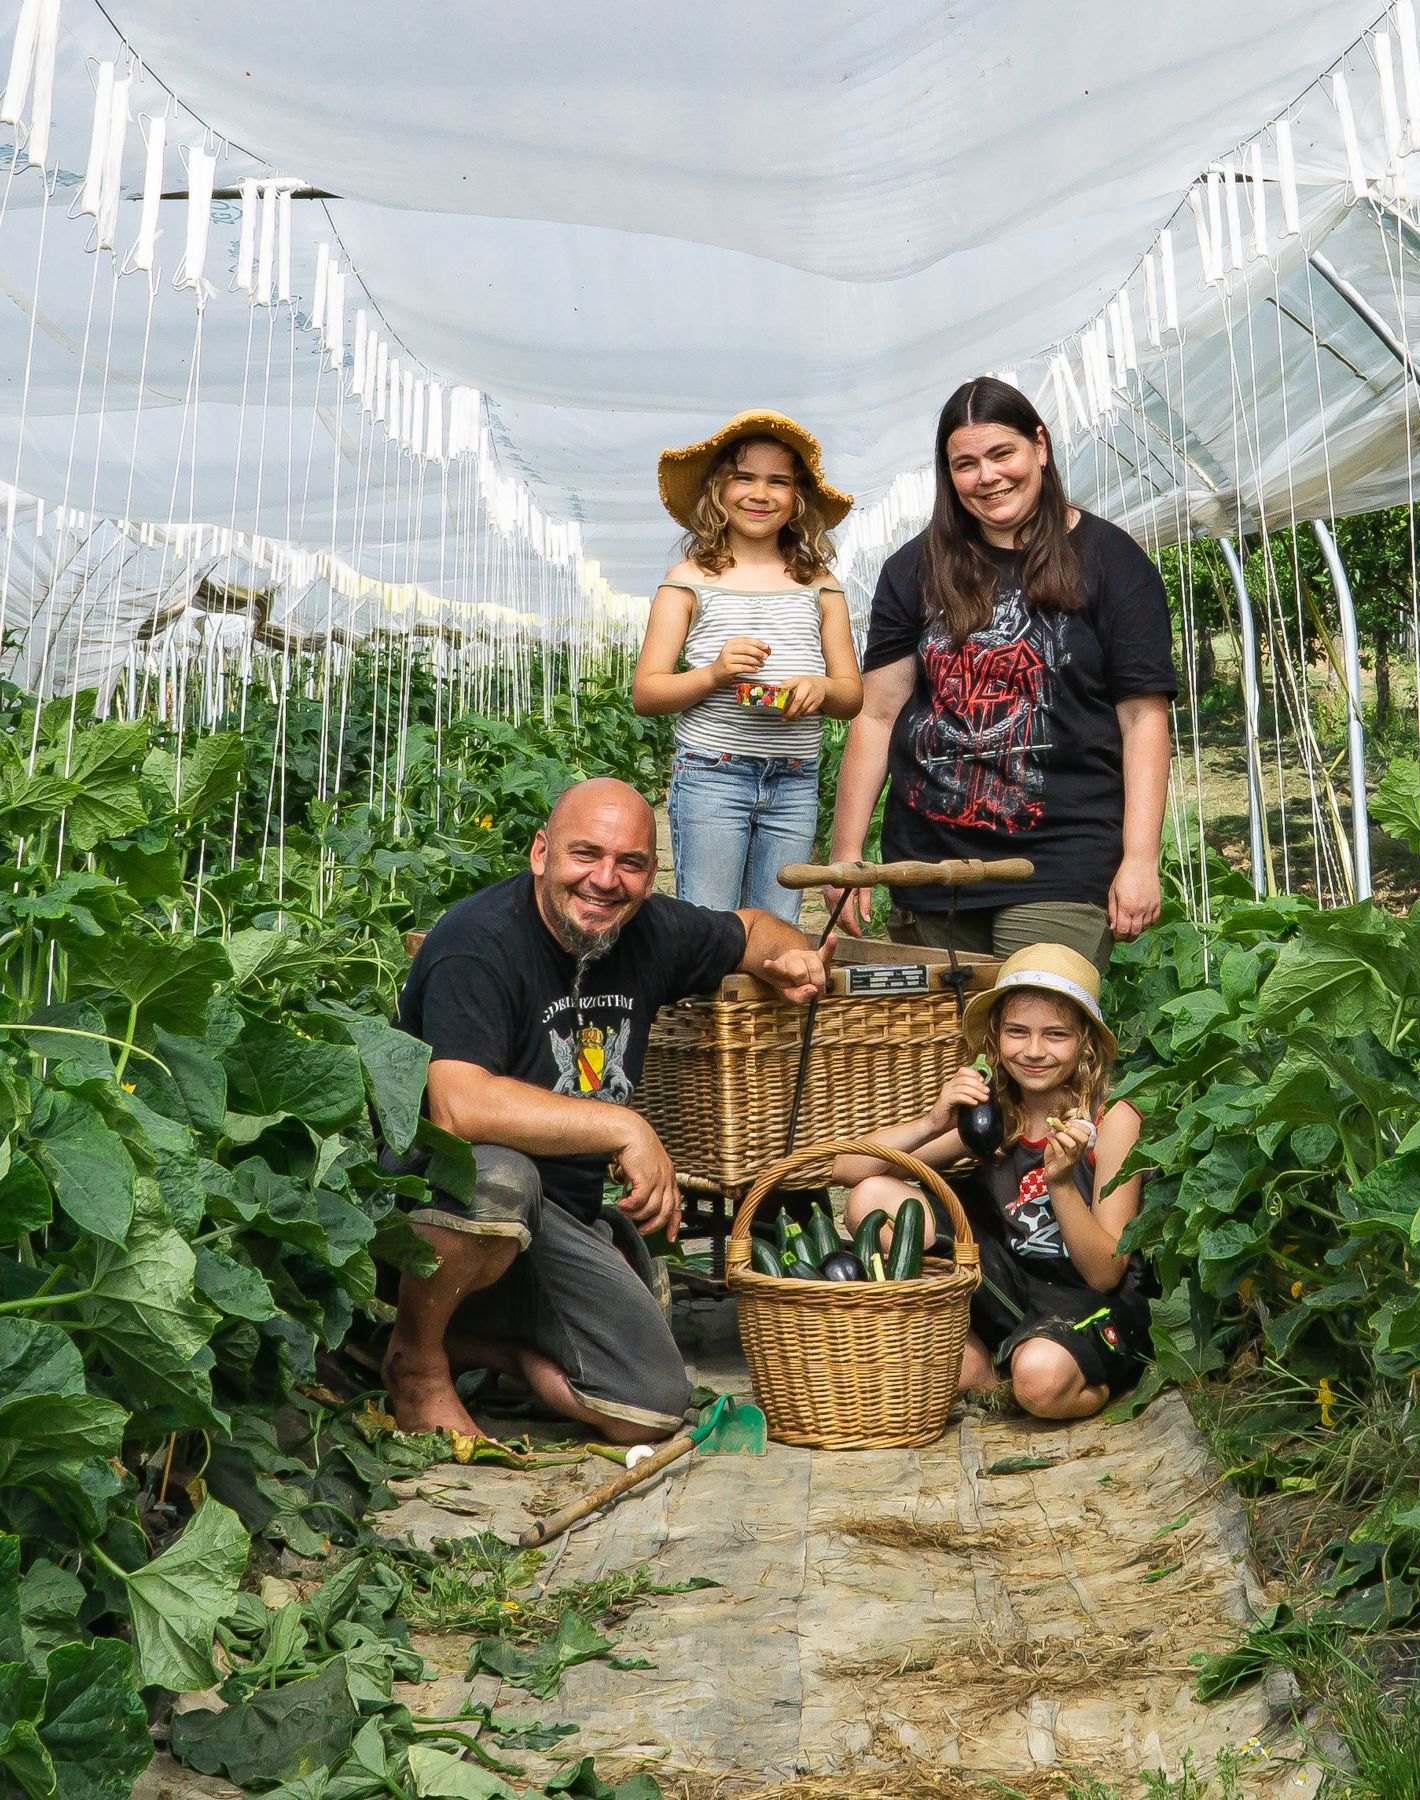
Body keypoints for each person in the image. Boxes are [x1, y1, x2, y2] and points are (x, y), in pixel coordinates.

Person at [384, 776, 830, 1443]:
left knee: (647, 1404)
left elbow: (753, 928)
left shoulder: (651, 931)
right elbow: (457, 1106)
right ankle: (415, 1364)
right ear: (541, 854)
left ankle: (476, 1343)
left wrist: (788, 959)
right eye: (585, 854)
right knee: (502, 1176)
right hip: (436, 1206)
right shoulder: (477, 943)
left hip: (559, 1223)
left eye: (631, 863)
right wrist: (624, 1125)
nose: (605, 879)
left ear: (651, 876)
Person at [826, 376, 1175, 968]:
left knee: (1034, 1036)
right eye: (965, 464)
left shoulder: (1112, 562)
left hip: (1059, 863)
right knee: (941, 1055)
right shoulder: (913, 569)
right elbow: (878, 716)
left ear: (1039, 447)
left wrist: (1140, 859)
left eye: (1001, 454)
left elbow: (1143, 719)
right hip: (931, 867)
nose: (987, 477)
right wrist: (847, 855)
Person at [832, 944, 1151, 1420]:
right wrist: (932, 1122)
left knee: (1040, 1382)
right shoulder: (999, 1117)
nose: (1034, 1050)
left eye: (1056, 1034)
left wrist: (1060, 1183)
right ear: (996, 1037)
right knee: (872, 1198)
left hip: (1089, 1300)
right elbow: (846, 1169)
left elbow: (1105, 1273)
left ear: (1086, 1041)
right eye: (1017, 1032)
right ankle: (991, 1370)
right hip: (1007, 1284)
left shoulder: (1112, 1121)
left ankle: (1097, 1383)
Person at [633, 411, 863, 921]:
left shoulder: (820, 585)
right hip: (713, 776)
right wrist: (715, 674)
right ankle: (708, 1005)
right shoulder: (688, 579)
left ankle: (759, 1005)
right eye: (745, 477)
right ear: (719, 490)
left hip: (795, 782)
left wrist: (821, 688)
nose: (761, 493)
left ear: (797, 497)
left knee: (777, 930)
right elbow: (646, 693)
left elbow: (852, 696)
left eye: (778, 481)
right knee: (710, 923)